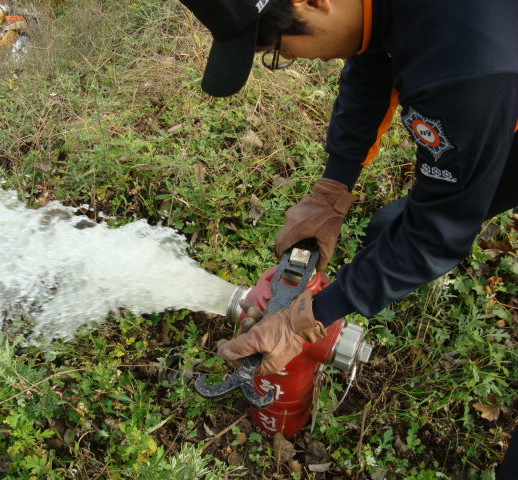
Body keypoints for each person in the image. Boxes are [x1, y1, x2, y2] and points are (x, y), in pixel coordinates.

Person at [176, 0, 518, 477]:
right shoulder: (385, 13)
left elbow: (436, 235)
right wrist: (332, 190)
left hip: (495, 89)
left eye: (280, 52)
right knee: (389, 230)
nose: (290, 59)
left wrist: (309, 319)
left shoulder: (464, 68)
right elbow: (373, 59)